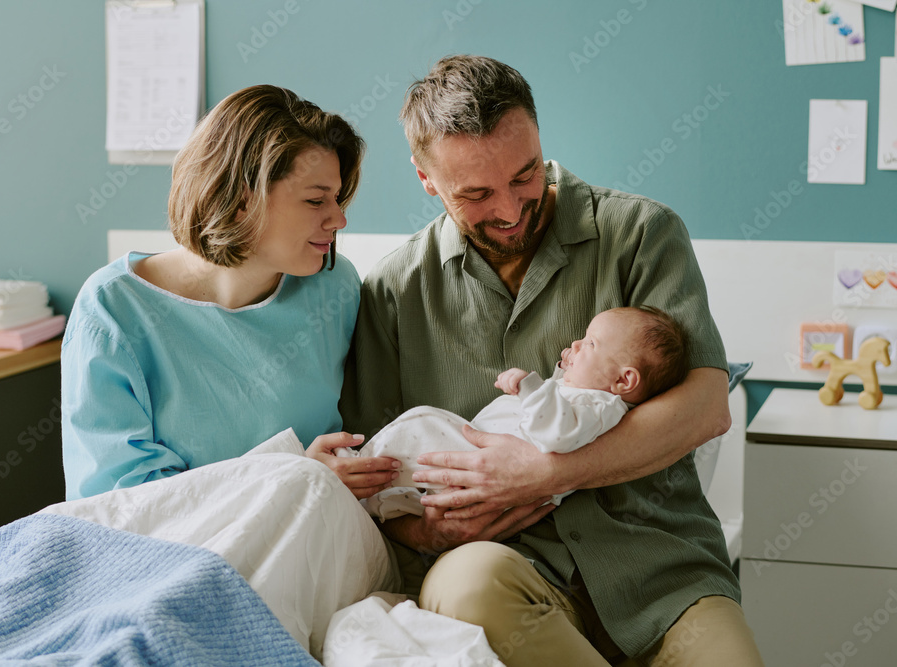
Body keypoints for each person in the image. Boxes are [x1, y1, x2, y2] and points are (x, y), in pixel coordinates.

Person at [340, 56, 764, 666]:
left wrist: (546, 473)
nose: (511, 210)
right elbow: (369, 474)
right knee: (465, 584)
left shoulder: (641, 234)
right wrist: (427, 530)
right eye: (476, 194)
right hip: (504, 572)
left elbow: (706, 409)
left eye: (526, 174)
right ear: (426, 179)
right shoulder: (393, 291)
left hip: (662, 573)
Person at [62, 84, 398, 501]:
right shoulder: (113, 311)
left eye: (338, 198)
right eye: (316, 201)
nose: (339, 219)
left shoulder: (333, 286)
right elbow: (121, 504)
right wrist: (292, 478)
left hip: (322, 530)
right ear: (242, 200)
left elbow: (365, 435)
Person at [354, 306, 688, 521]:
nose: (575, 344)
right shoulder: (588, 399)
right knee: (418, 471)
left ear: (624, 380)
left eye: (590, 344)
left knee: (424, 422)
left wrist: (530, 386)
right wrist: (565, 370)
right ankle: (378, 499)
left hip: (487, 467)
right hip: (483, 469)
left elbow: (557, 433)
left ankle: (360, 466)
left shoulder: (601, 406)